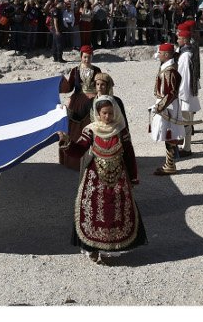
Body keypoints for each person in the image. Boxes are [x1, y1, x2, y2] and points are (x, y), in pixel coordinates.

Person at [61, 96, 146, 264]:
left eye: (110, 113)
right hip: (95, 179)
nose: (107, 117)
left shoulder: (121, 130)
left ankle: (111, 248)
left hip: (118, 179)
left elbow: (129, 155)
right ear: (98, 114)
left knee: (116, 213)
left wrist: (134, 177)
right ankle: (91, 248)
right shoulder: (90, 131)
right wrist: (67, 143)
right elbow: (78, 151)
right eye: (104, 113)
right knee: (92, 212)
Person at [59, 45, 102, 170]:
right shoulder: (75, 71)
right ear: (81, 57)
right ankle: (73, 161)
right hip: (77, 102)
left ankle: (93, 160)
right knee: (74, 130)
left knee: (92, 129)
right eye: (85, 57)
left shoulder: (97, 70)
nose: (87, 60)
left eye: (89, 57)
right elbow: (70, 87)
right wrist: (60, 82)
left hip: (93, 102)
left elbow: (102, 85)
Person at [150, 42, 185, 175]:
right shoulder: (166, 67)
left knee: (169, 133)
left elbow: (171, 93)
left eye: (159, 53)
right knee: (168, 133)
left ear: (165, 54)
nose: (158, 55)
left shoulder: (169, 71)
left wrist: (160, 106)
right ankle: (169, 163)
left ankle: (170, 165)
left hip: (168, 106)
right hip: (166, 104)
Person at [176, 27, 201, 157]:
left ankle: (187, 148)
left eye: (179, 38)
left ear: (185, 40)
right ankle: (186, 146)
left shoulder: (185, 56)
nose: (177, 40)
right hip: (188, 92)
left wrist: (182, 95)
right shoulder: (187, 52)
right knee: (187, 120)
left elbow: (184, 77)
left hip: (185, 92)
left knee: (186, 121)